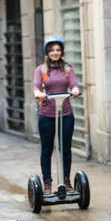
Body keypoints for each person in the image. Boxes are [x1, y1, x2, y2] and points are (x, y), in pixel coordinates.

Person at [33, 36, 80, 194]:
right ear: (47, 51)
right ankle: (47, 182)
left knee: (65, 149)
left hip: (65, 114)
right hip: (46, 115)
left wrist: (75, 90)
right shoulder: (41, 70)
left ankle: (66, 180)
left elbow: (74, 85)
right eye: (52, 50)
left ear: (62, 52)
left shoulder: (68, 69)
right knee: (46, 150)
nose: (55, 52)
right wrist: (39, 93)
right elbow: (36, 86)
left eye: (58, 50)